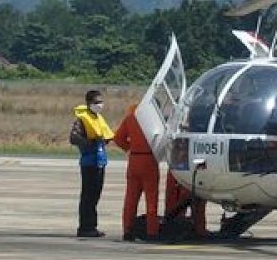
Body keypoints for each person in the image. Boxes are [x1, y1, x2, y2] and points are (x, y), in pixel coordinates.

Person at [69, 90, 114, 238]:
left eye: (101, 102)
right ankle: (85, 227)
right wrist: (89, 143)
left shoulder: (98, 118)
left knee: (95, 195)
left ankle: (91, 226)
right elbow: (73, 137)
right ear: (89, 104)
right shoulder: (82, 119)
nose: (100, 105)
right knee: (88, 196)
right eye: (96, 102)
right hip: (89, 162)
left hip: (100, 161)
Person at [114, 104, 160, 241]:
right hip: (149, 159)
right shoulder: (154, 120)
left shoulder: (130, 118)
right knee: (151, 199)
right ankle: (152, 232)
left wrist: (130, 148)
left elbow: (118, 138)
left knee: (130, 198)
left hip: (134, 159)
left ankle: (127, 231)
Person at [165, 171, 208, 237]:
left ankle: (197, 230)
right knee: (176, 204)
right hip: (187, 171)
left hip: (188, 172)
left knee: (196, 204)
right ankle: (175, 227)